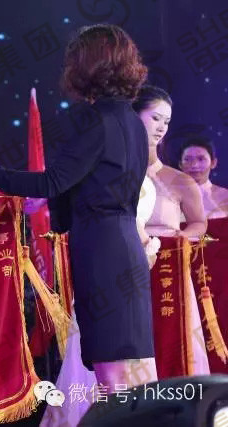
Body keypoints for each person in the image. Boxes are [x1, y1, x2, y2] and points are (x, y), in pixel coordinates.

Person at [0, 24, 157, 389]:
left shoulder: (96, 119)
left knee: (113, 377)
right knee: (127, 372)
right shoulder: (132, 122)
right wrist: (49, 198)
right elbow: (88, 182)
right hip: (123, 247)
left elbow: (53, 181)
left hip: (102, 250)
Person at [132, 85, 209, 375]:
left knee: (171, 344)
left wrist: (180, 237)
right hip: (123, 268)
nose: (162, 127)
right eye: (155, 118)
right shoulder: (110, 173)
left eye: (167, 121)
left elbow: (199, 223)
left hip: (168, 271)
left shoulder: (179, 180)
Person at [179, 137, 228, 219]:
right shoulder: (169, 196)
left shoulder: (225, 196)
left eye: (201, 159)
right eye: (187, 159)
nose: (194, 165)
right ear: (180, 164)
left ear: (213, 163)